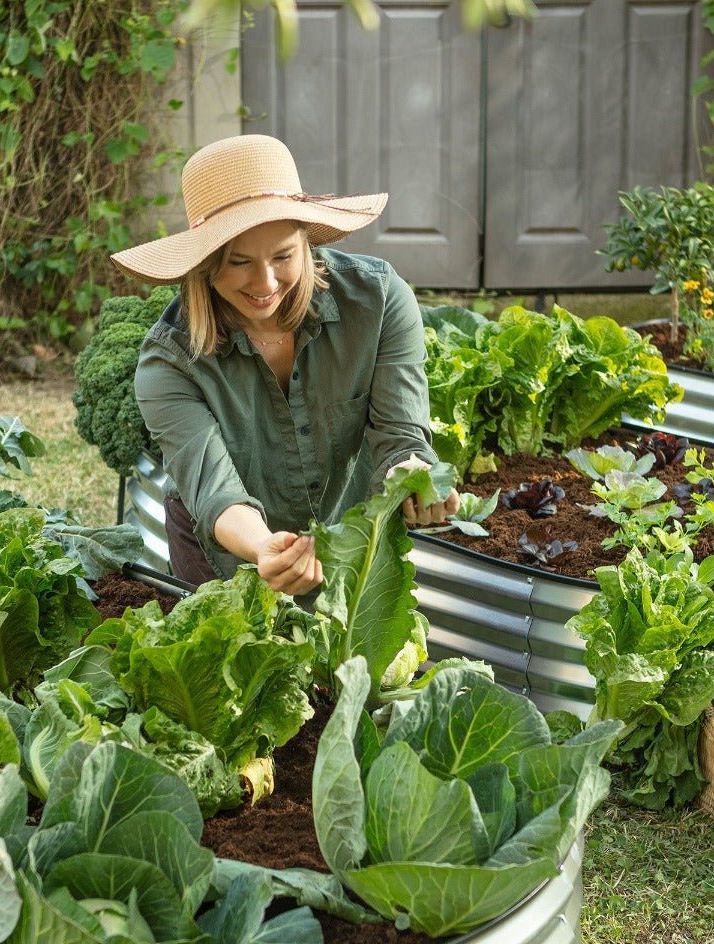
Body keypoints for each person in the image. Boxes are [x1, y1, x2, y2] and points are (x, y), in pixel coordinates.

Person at [111, 134, 459, 597]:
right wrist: (263, 548)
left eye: (283, 256)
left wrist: (414, 476)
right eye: (239, 262)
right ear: (205, 264)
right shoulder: (171, 362)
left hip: (346, 541)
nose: (265, 282)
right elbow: (216, 494)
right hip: (223, 552)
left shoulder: (377, 303)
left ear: (306, 240)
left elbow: (402, 439)